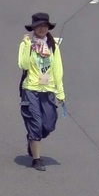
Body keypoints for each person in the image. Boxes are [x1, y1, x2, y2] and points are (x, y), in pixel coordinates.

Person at [18, 12, 65, 171]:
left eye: (45, 26)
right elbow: (23, 65)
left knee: (48, 125)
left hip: (48, 89)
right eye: (39, 26)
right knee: (35, 124)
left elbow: (57, 69)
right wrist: (25, 46)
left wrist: (60, 92)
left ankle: (32, 139)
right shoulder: (26, 44)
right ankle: (36, 159)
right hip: (31, 88)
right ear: (33, 28)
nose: (42, 28)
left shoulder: (53, 46)